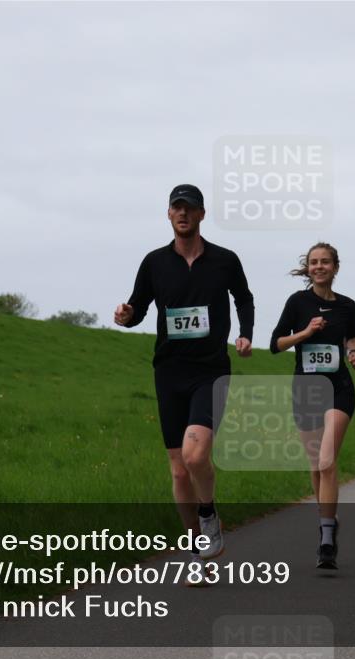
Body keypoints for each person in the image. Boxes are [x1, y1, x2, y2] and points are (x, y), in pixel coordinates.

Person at [114, 184, 254, 578]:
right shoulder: (154, 262)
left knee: (195, 455)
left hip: (210, 371)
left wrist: (246, 332)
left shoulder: (225, 260)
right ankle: (197, 552)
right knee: (178, 470)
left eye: (190, 208)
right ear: (169, 214)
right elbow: (138, 308)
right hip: (169, 371)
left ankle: (208, 514)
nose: (183, 214)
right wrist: (126, 316)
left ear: (202, 215)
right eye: (177, 207)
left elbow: (244, 297)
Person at [270, 242, 355, 569]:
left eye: (325, 262)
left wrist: (353, 352)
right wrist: (306, 332)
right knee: (314, 464)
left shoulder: (348, 305)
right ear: (308, 268)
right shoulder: (297, 302)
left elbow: (351, 337)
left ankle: (325, 538)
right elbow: (276, 344)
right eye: (314, 262)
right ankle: (328, 519)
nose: (319, 266)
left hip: (338, 387)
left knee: (326, 461)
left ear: (336, 267)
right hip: (306, 389)